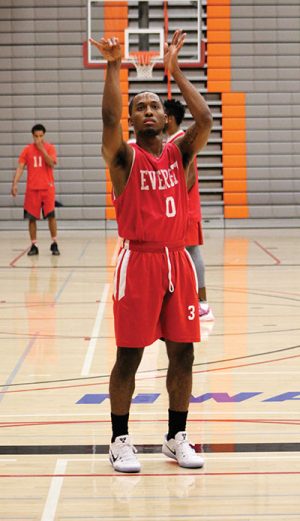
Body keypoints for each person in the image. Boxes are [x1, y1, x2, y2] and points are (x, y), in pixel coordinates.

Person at [90, 30, 212, 473]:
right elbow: (107, 123)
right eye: (138, 106)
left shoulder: (180, 154)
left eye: (153, 106)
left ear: (164, 119)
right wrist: (112, 65)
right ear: (133, 120)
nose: (146, 110)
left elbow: (205, 121)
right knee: (130, 355)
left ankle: (175, 436)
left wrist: (175, 71)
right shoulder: (124, 159)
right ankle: (119, 438)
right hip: (138, 260)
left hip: (177, 259)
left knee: (183, 353)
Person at [164, 99, 214, 322]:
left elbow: (190, 176)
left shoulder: (181, 141)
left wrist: (175, 200)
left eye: (160, 113)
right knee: (184, 255)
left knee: (192, 253)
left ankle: (202, 304)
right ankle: (190, 300)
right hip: (182, 210)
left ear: (170, 119)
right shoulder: (172, 141)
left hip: (185, 209)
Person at [11, 124, 60, 256]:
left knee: (51, 217)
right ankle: (34, 245)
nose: (38, 138)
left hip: (47, 188)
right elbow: (20, 167)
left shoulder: (50, 148)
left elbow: (51, 163)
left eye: (41, 136)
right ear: (32, 136)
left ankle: (54, 243)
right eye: (36, 136)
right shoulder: (27, 150)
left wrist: (42, 150)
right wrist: (15, 183)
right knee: (31, 218)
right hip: (32, 189)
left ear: (44, 135)